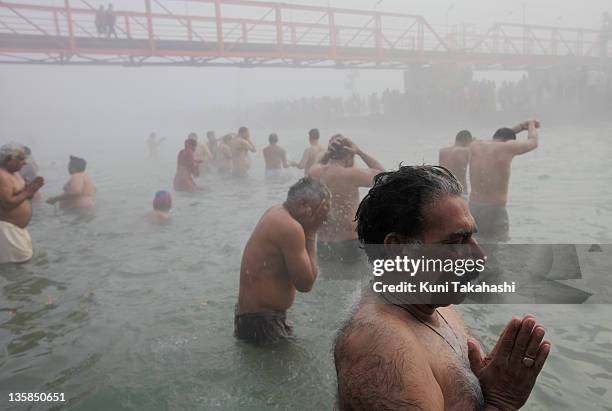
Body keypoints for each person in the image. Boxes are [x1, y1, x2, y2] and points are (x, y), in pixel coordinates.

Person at [334, 165, 551, 410]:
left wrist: (483, 389)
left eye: (472, 237)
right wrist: (501, 402)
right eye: (456, 241)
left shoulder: (431, 304)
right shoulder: (383, 351)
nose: (479, 256)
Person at [235, 177, 331, 346]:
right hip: (263, 322)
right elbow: (305, 284)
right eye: (321, 210)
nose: (324, 216)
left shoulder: (275, 211)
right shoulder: (290, 227)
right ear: (304, 205)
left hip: (251, 317)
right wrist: (312, 232)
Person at [308, 135, 384, 263]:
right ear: (349, 155)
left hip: (322, 243)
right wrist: (359, 152)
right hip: (349, 242)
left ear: (330, 154)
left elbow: (317, 163)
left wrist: (327, 153)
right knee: (356, 280)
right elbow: (383, 176)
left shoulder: (315, 172)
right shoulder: (351, 174)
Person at [469, 120, 540, 242]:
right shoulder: (507, 147)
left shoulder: (475, 145)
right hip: (494, 210)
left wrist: (520, 127)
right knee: (499, 249)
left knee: (473, 246)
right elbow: (533, 142)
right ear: (511, 141)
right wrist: (531, 124)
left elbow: (500, 138)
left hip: (473, 208)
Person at [0, 143, 44, 264]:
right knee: (19, 268)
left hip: (17, 229)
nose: (24, 162)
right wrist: (28, 191)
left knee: (24, 265)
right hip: (7, 229)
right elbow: (7, 204)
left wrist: (31, 190)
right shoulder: (1, 176)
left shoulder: (15, 174)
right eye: (21, 159)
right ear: (9, 159)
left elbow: (22, 197)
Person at [439, 130, 473, 197]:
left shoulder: (443, 151)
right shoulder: (466, 151)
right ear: (467, 140)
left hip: (445, 190)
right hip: (460, 192)